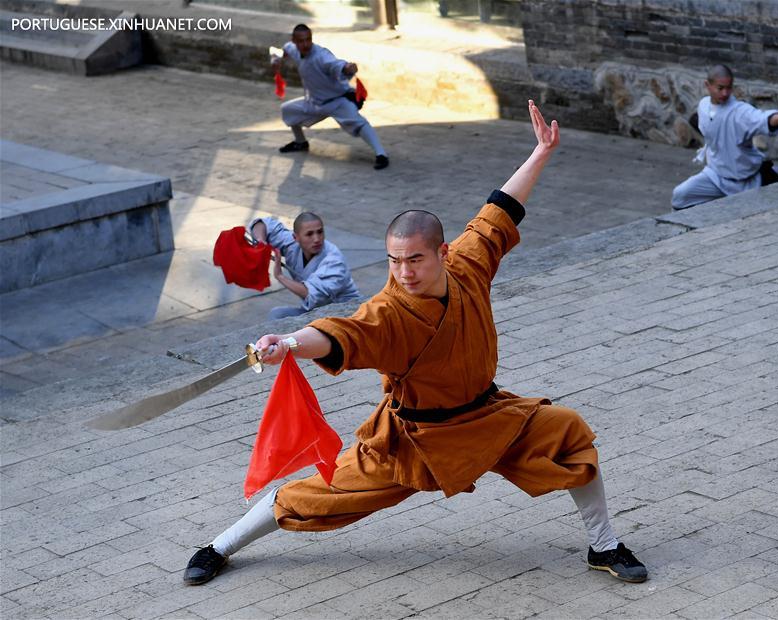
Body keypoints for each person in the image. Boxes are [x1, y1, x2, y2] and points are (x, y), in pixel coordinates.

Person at [184, 101, 647, 587]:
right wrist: (290, 342)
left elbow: (500, 211)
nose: (403, 273)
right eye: (394, 261)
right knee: (316, 495)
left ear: (443, 253)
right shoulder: (391, 312)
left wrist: (542, 151)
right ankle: (219, 547)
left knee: (569, 432)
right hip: (410, 443)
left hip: (488, 417)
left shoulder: (468, 265)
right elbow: (343, 332)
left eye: (415, 261)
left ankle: (604, 545)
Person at [671, 64, 778, 210]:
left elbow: (761, 119)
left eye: (728, 88)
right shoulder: (703, 105)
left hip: (748, 179)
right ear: (708, 85)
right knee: (680, 196)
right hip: (716, 177)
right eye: (720, 88)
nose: (725, 93)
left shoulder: (739, 111)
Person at [273, 23, 390, 170]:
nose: (305, 44)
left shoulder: (321, 55)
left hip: (337, 101)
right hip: (314, 101)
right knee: (288, 109)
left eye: (308, 40)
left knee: (359, 123)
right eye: (301, 41)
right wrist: (278, 58)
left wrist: (347, 67)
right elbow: (285, 49)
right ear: (295, 40)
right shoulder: (294, 48)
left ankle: (381, 155)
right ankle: (300, 142)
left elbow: (335, 64)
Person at [250, 212, 360, 320]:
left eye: (320, 232)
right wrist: (261, 240)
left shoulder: (334, 260)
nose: (316, 239)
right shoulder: (291, 243)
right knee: (277, 315)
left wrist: (280, 276)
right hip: (317, 312)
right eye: (309, 234)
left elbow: (313, 295)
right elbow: (263, 224)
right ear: (296, 237)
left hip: (345, 312)